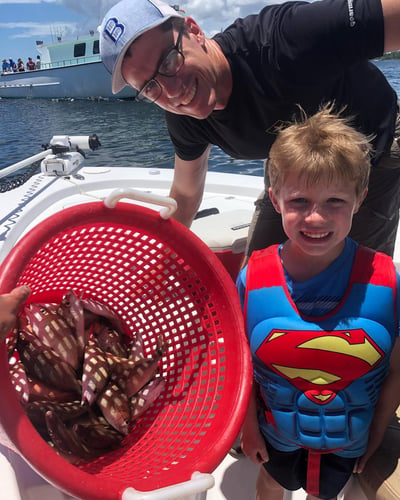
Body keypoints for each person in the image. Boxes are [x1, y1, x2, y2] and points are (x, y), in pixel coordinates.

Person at [100, 0, 400, 259]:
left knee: (355, 282)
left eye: (169, 60)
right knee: (259, 274)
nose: (173, 91)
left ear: (194, 30)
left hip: (374, 149)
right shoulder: (183, 116)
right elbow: (186, 195)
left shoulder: (286, 38)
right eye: (151, 87)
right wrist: (157, 263)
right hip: (292, 161)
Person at [236, 105, 400, 500]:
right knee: (271, 484)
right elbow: (238, 365)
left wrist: (379, 426)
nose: (315, 217)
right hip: (276, 435)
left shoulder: (387, 281)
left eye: (334, 202)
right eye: (299, 201)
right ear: (275, 200)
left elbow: (396, 368)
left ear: (359, 200)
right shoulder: (251, 278)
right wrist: (248, 427)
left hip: (352, 440)